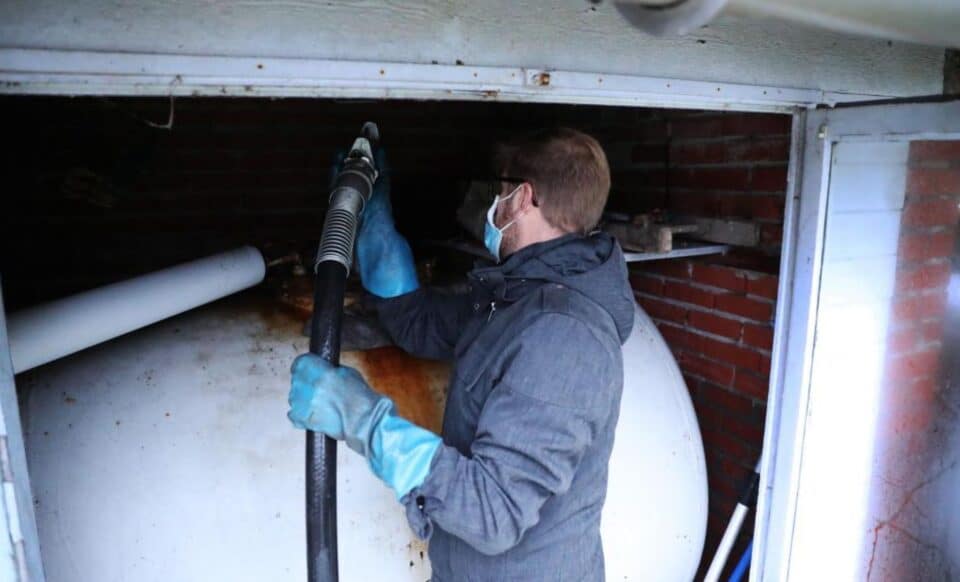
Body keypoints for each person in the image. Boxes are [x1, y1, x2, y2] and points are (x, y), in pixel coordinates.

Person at [287, 127, 635, 581]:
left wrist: (364, 421)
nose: (492, 205)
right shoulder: (516, 296)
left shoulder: (564, 337)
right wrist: (375, 227)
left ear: (524, 198)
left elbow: (495, 512)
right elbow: (421, 324)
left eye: (500, 190)